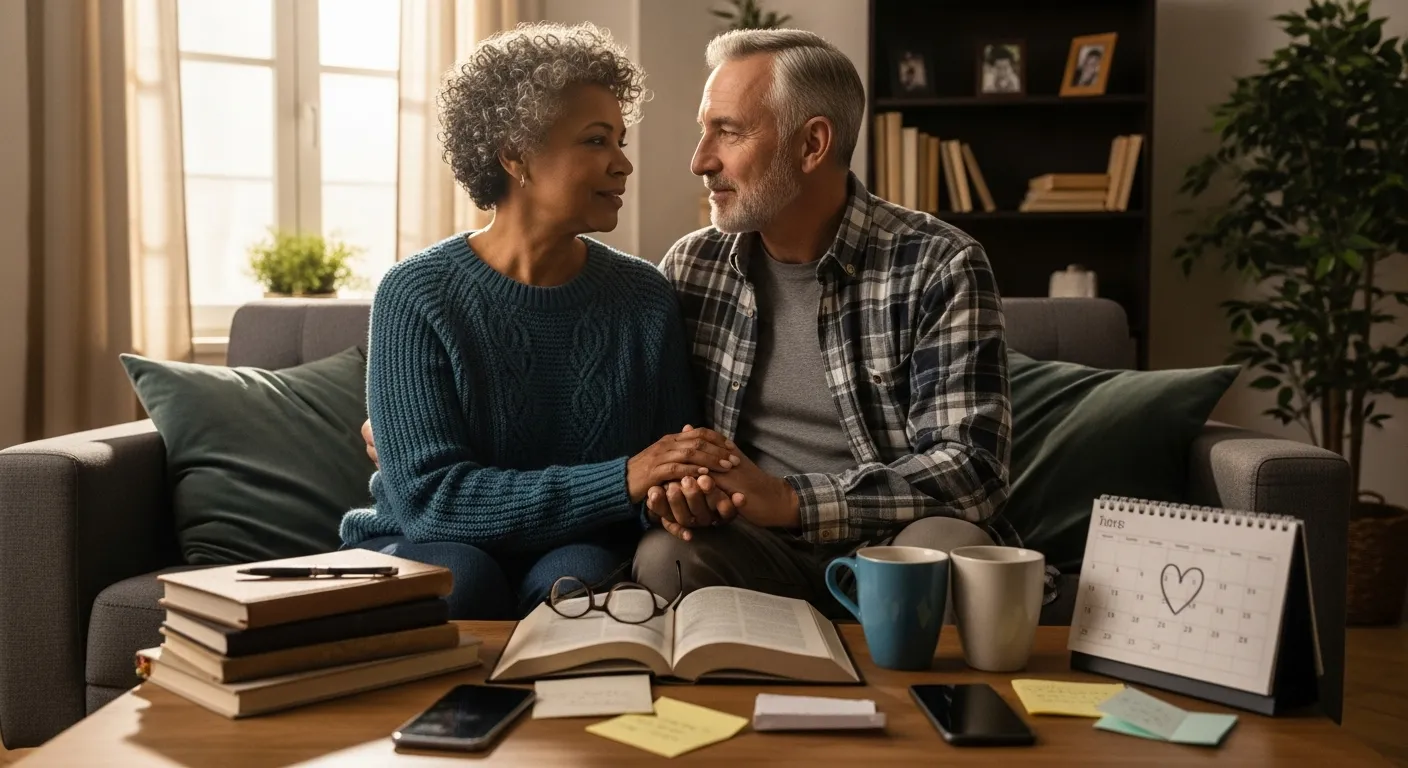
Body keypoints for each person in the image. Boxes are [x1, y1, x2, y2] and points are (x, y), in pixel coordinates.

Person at [341, 22, 740, 621]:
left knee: (572, 580)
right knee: (464, 575)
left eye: (620, 140)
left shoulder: (644, 297)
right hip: (428, 541)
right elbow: (430, 500)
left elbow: (663, 468)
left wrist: (678, 493)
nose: (624, 164)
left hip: (577, 546)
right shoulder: (415, 293)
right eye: (596, 141)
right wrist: (623, 478)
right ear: (515, 154)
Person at [631, 29, 1015, 616]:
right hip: (753, 544)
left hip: (892, 542)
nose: (701, 160)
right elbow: (667, 437)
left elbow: (971, 473)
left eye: (728, 132)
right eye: (704, 131)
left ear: (812, 144)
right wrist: (685, 491)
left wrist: (791, 501)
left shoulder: (939, 263)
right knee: (667, 556)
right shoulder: (692, 266)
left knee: (943, 550)